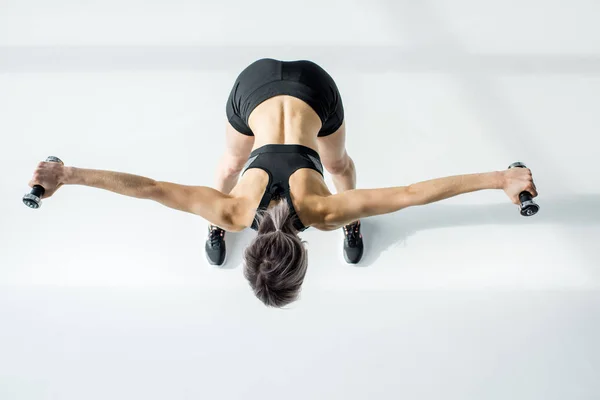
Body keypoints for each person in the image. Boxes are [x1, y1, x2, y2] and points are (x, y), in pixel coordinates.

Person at [28, 58, 538, 308]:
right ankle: (351, 223)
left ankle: (354, 222)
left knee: (240, 168)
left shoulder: (321, 214)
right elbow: (152, 188)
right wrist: (66, 176)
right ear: (252, 247)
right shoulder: (235, 213)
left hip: (314, 90)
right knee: (325, 170)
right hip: (260, 84)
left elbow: (410, 197)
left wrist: (502, 179)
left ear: (302, 255)